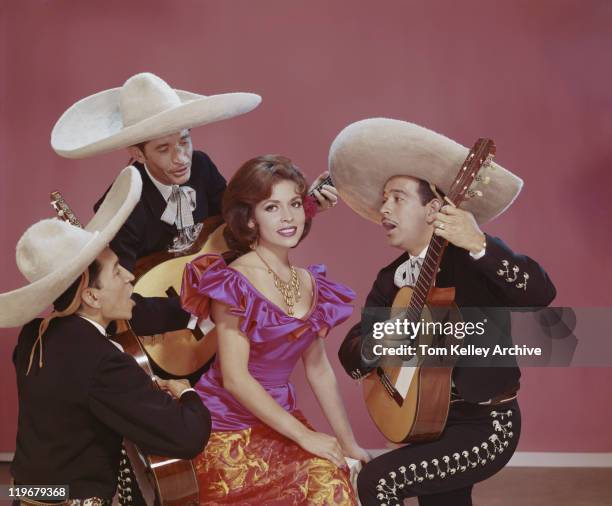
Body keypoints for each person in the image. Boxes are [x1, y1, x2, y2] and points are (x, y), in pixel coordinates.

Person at [329, 118, 557, 506]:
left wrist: (481, 245)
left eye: (397, 198)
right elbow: (352, 356)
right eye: (384, 199)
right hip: (425, 423)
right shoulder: (391, 279)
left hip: (487, 424)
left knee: (378, 482)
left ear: (433, 208)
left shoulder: (472, 257)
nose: (384, 208)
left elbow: (540, 293)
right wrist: (384, 338)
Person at [1, 167, 211, 505]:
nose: (130, 276)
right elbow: (187, 437)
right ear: (91, 297)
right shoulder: (103, 361)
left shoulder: (34, 334)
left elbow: (80, 399)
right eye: (117, 270)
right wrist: (186, 392)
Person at [180, 155, 369, 504]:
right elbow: (235, 379)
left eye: (295, 204)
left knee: (335, 477)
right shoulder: (233, 280)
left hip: (280, 420)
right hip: (225, 425)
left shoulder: (311, 282)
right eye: (272, 207)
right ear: (250, 219)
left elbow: (318, 369)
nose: (288, 217)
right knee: (324, 486)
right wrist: (305, 436)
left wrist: (348, 442)